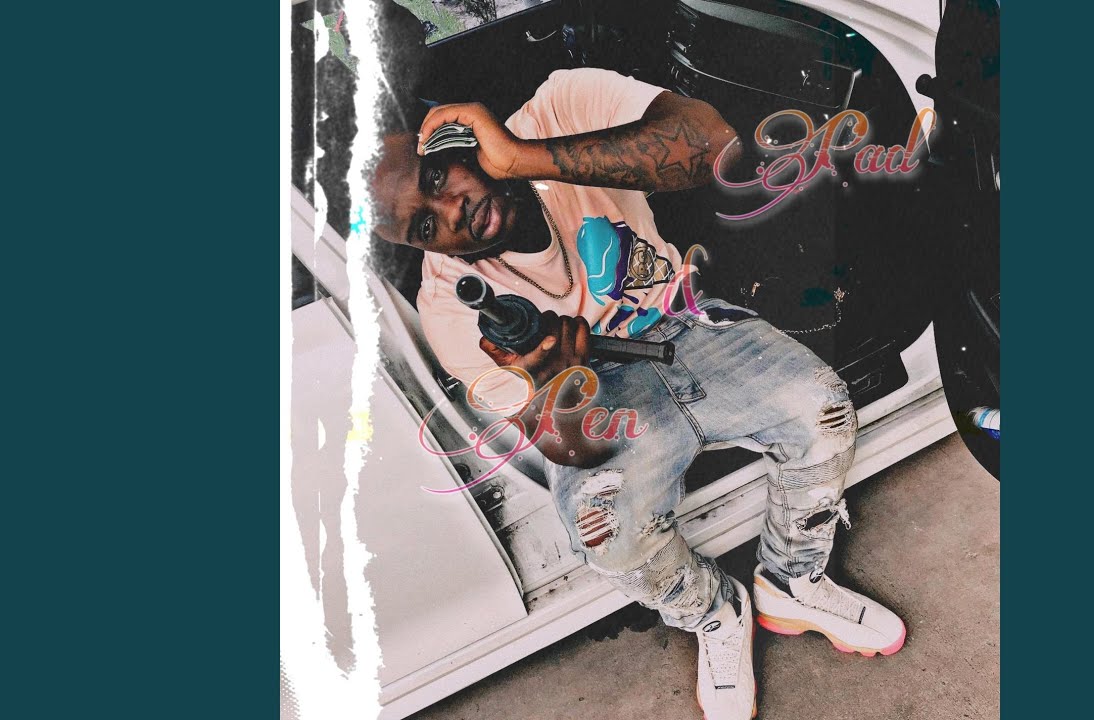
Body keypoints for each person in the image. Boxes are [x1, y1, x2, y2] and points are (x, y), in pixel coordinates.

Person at [372, 67, 905, 720]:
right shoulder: (450, 312)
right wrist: (556, 388)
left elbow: (713, 144)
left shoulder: (561, 108)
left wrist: (519, 158)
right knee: (608, 540)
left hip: (684, 321)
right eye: (425, 228)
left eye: (435, 179)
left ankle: (792, 582)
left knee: (823, 413)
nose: (451, 211)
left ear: (452, 142)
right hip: (602, 398)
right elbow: (569, 451)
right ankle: (715, 614)